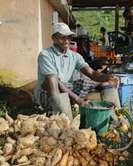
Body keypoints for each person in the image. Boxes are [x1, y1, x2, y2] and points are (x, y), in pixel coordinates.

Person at [34, 22, 119, 119]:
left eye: (69, 37)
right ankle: (65, 121)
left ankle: (115, 118)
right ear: (54, 39)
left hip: (65, 88)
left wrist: (109, 77)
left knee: (106, 83)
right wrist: (77, 99)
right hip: (47, 92)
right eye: (62, 37)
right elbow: (55, 82)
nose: (66, 40)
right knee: (52, 79)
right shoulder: (45, 55)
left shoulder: (75, 56)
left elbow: (91, 73)